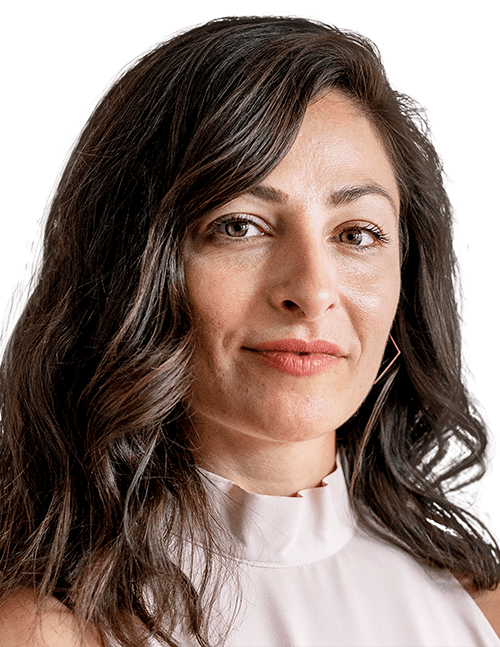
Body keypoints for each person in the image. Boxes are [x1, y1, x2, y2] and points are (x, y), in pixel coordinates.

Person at [0, 13, 499, 647]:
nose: (311, 292)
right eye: (239, 226)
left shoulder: (481, 611)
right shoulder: (44, 631)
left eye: (357, 234)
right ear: (130, 267)